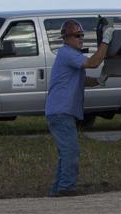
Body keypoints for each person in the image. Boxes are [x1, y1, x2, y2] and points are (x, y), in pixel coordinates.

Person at [44, 19, 112, 196]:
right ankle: (66, 188)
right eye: (76, 36)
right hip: (61, 112)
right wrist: (106, 40)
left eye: (82, 35)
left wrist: (98, 81)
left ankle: (58, 190)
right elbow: (93, 63)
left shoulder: (70, 55)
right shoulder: (67, 53)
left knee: (66, 153)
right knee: (71, 151)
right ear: (66, 38)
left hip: (60, 112)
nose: (80, 38)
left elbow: (81, 80)